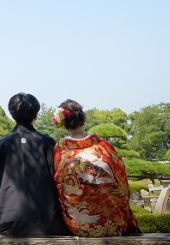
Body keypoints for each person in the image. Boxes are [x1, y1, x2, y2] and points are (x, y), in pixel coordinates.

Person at [52, 99, 140, 237]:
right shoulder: (104, 147)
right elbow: (122, 182)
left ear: (63, 124)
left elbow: (58, 187)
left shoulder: (60, 152)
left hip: (79, 225)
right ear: (82, 118)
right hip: (114, 223)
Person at [0, 92, 69, 235]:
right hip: (47, 222)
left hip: (7, 222)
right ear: (35, 115)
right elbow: (58, 181)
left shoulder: (2, 143)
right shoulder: (47, 142)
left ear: (12, 114)